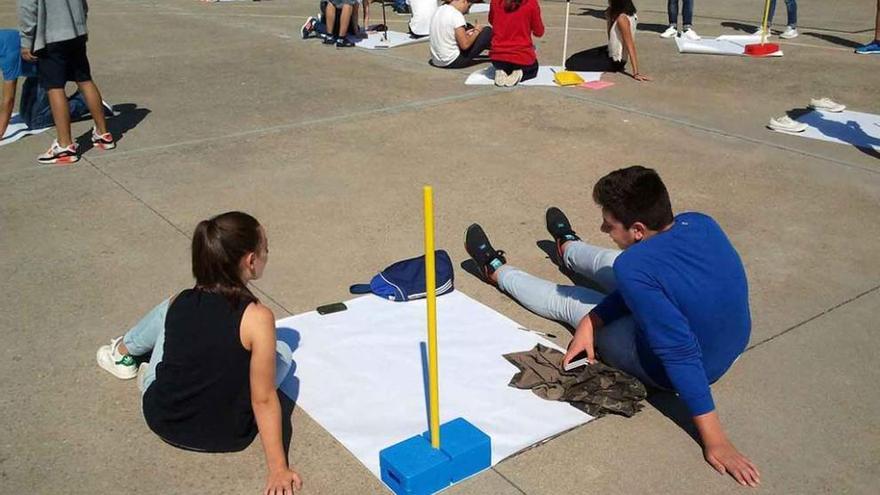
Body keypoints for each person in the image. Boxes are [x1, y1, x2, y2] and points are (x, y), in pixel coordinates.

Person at [464, 166, 761, 488]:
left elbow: (679, 353)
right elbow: (652, 281)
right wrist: (596, 320)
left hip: (676, 364)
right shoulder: (700, 222)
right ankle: (569, 248)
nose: (603, 226)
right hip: (726, 345)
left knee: (574, 301)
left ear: (636, 229)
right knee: (616, 263)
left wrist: (716, 440)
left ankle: (497, 270)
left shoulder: (636, 267)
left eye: (609, 223)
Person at [96, 212, 304, 494]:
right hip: (229, 434)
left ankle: (122, 350)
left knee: (167, 310)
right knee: (282, 352)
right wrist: (278, 468)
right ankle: (130, 357)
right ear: (251, 261)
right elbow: (264, 399)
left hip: (162, 418)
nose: (268, 253)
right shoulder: (258, 317)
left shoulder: (181, 301)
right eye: (265, 248)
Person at [18, 0, 115, 164]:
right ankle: (103, 134)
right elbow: (83, 4)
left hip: (51, 36)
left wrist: (27, 40)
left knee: (54, 87)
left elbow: (28, 7)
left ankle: (64, 145)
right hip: (76, 33)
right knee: (84, 80)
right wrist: (81, 24)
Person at [1, 29, 111, 142]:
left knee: (36, 121)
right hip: (36, 69)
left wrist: (1, 132)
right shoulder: (3, 37)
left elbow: (8, 100)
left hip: (50, 69)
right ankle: (72, 101)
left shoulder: (8, 56)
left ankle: (84, 102)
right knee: (25, 116)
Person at [565, 0, 650, 82]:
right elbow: (611, 39)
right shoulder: (630, 14)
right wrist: (609, 20)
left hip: (615, 60)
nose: (608, 2)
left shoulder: (622, 19)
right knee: (576, 57)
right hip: (610, 50)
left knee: (571, 63)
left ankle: (612, 66)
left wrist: (636, 72)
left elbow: (630, 45)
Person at [488, 0, 544, 86]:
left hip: (497, 57)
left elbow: (491, 20)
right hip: (521, 57)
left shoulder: (495, 1)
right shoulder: (531, 3)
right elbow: (539, 32)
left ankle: (501, 71)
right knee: (534, 67)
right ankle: (520, 73)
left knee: (504, 65)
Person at [429, 0, 493, 69]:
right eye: (468, 7)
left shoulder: (440, 9)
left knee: (468, 26)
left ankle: (495, 48)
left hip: (437, 61)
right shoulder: (456, 15)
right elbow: (465, 45)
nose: (467, 12)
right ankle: (499, 49)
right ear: (464, 1)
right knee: (487, 32)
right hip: (453, 61)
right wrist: (477, 31)